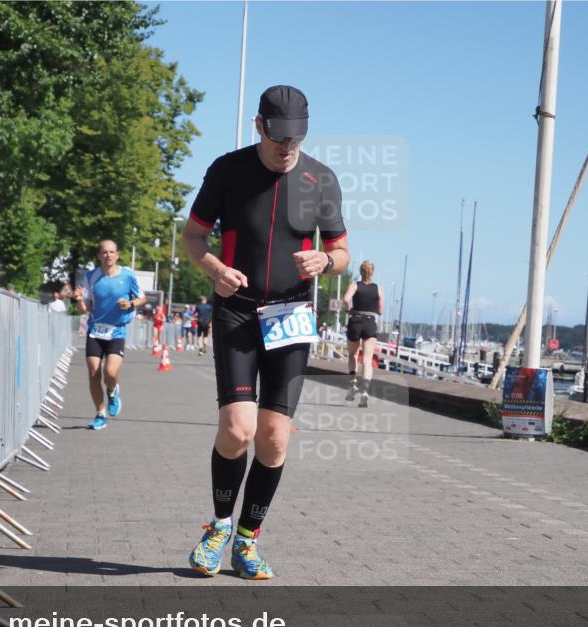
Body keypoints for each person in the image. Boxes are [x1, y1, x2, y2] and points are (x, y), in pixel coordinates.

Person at [183, 84, 349, 579]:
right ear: (259, 127)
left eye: (295, 141)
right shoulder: (227, 170)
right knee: (237, 430)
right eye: (279, 140)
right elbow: (193, 236)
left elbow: (342, 252)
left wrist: (326, 260)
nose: (286, 150)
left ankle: (247, 541)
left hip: (291, 316)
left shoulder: (321, 180)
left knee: (274, 439)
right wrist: (215, 269)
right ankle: (217, 527)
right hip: (237, 311)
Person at [73, 240, 145, 430]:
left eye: (112, 252)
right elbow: (84, 309)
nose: (108, 255)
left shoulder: (128, 275)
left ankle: (112, 392)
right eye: (104, 252)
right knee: (94, 373)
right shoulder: (91, 276)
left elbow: (142, 298)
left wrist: (130, 304)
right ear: (99, 255)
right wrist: (79, 299)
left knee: (110, 372)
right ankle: (100, 414)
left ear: (117, 254)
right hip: (95, 330)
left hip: (117, 330)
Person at [343, 261, 383, 407]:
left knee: (353, 355)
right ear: (372, 272)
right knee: (367, 359)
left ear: (361, 271)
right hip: (370, 323)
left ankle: (353, 383)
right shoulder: (377, 288)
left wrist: (349, 308)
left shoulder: (355, 285)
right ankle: (365, 391)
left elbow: (346, 299)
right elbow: (380, 310)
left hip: (355, 321)